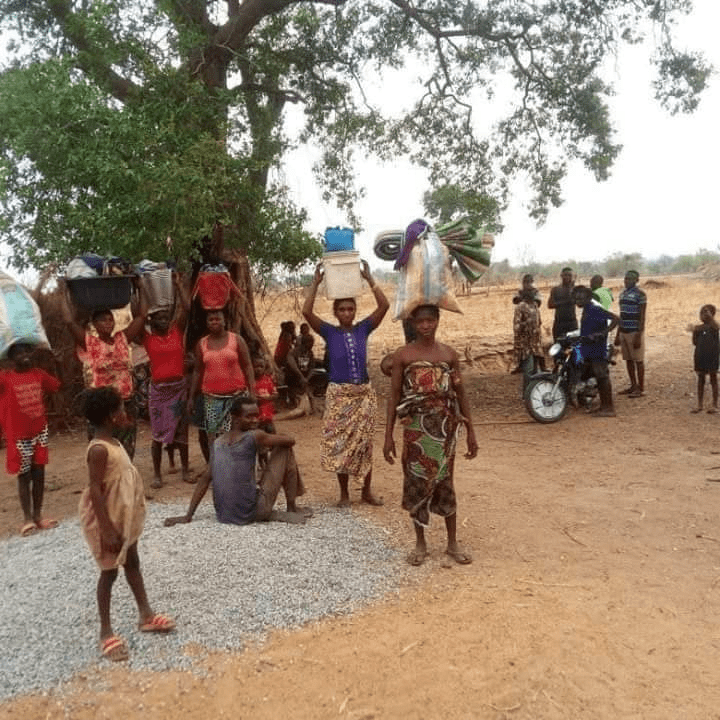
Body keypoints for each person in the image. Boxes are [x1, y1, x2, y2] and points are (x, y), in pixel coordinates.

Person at [80, 387, 175, 662]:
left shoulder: (114, 441)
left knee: (132, 562)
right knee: (108, 574)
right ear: (111, 416)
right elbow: (95, 490)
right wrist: (107, 529)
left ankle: (145, 614)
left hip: (123, 518)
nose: (126, 412)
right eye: (121, 408)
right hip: (108, 521)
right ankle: (106, 632)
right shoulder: (99, 449)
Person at [383, 304, 478, 566]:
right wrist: (388, 434)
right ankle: (421, 543)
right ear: (413, 325)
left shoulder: (449, 355)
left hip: (446, 429)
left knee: (446, 482)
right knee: (416, 482)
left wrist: (470, 431)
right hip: (415, 429)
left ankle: (452, 543)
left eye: (430, 320)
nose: (425, 326)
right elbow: (394, 396)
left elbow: (460, 394)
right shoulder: (403, 356)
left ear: (438, 321)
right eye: (420, 322)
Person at [302, 259, 389, 507]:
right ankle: (343, 494)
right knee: (340, 444)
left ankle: (367, 491)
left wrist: (370, 279)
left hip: (363, 394)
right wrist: (316, 284)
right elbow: (307, 313)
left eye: (350, 309)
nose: (347, 313)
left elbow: (384, 305)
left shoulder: (364, 329)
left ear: (355, 311)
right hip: (339, 396)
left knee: (364, 443)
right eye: (342, 310)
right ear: (336, 313)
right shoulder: (329, 332)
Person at [164, 397, 308, 527]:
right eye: (249, 417)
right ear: (235, 418)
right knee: (285, 448)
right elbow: (291, 441)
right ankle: (291, 506)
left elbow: (205, 479)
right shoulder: (255, 436)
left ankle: (286, 507)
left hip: (223, 515)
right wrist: (274, 438)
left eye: (256, 416)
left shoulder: (217, 442)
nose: (255, 420)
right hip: (252, 513)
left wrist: (188, 515)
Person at [61, 285, 147, 459]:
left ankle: (123, 481)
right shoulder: (90, 343)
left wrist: (140, 285)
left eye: (110, 319)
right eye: (103, 320)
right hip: (102, 407)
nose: (108, 323)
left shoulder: (122, 338)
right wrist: (63, 291)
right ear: (94, 324)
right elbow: (69, 321)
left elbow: (142, 316)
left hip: (125, 402)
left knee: (126, 450)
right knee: (103, 450)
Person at [0, 343, 61, 537]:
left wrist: (57, 363)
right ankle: (27, 518)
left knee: (39, 473)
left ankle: (38, 515)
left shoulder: (39, 374)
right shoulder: (6, 378)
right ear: (10, 360)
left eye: (27, 351)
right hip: (19, 436)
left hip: (39, 432)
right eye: (19, 353)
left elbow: (56, 386)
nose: (25, 356)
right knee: (24, 476)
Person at [140, 275, 192, 488]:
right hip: (159, 391)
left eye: (165, 318)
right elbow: (140, 315)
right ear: (151, 323)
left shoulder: (176, 333)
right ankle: (157, 474)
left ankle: (186, 469)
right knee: (157, 434)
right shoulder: (147, 338)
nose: (162, 321)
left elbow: (187, 309)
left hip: (179, 388)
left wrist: (179, 285)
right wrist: (141, 287)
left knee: (182, 430)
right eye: (158, 318)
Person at [187, 308, 255, 452]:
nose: (214, 322)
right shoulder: (202, 344)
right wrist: (191, 397)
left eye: (218, 319)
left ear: (224, 321)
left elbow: (248, 366)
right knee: (215, 438)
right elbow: (197, 371)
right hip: (212, 399)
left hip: (237, 397)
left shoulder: (236, 339)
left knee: (240, 434)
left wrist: (252, 392)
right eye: (211, 320)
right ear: (207, 323)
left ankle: (241, 465)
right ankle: (218, 467)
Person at [574, 286, 619, 417]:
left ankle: (608, 408)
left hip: (597, 348)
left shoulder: (594, 309)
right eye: (576, 298)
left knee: (602, 376)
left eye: (580, 298)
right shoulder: (587, 309)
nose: (577, 301)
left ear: (588, 297)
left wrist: (601, 334)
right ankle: (604, 406)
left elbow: (616, 319)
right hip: (590, 348)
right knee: (599, 377)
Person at [615, 270, 647, 398]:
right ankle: (633, 385)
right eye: (626, 278)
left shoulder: (641, 295)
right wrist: (618, 334)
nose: (626, 281)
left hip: (634, 332)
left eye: (630, 279)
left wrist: (639, 335)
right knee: (628, 360)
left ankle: (641, 388)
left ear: (636, 280)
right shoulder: (622, 294)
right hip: (623, 331)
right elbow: (621, 315)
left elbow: (642, 316)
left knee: (638, 361)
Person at [513, 287, 544, 386]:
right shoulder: (520, 307)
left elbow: (539, 322)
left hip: (536, 343)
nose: (533, 295)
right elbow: (516, 327)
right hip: (526, 344)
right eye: (531, 292)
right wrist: (527, 323)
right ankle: (526, 393)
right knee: (528, 370)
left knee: (536, 371)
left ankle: (532, 393)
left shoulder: (534, 305)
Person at [691, 304, 719, 414]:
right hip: (701, 356)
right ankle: (700, 404)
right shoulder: (698, 329)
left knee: (713, 379)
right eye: (702, 313)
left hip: (712, 356)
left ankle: (715, 404)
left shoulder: (714, 327)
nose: (704, 315)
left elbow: (717, 326)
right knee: (701, 380)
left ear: (712, 315)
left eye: (707, 313)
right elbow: (694, 342)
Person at [548, 267, 578, 340]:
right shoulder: (556, 289)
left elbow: (581, 303)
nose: (567, 277)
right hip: (559, 323)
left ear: (573, 276)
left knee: (573, 348)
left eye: (570, 275)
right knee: (558, 348)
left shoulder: (575, 289)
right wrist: (566, 301)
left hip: (572, 323)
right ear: (561, 276)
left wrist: (571, 290)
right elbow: (550, 305)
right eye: (565, 275)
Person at [253, 354, 278, 433]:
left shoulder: (268, 380)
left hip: (268, 415)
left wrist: (266, 398)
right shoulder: (251, 382)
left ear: (265, 367)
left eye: (261, 367)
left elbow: (275, 395)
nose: (258, 369)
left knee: (271, 432)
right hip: (256, 416)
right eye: (256, 366)